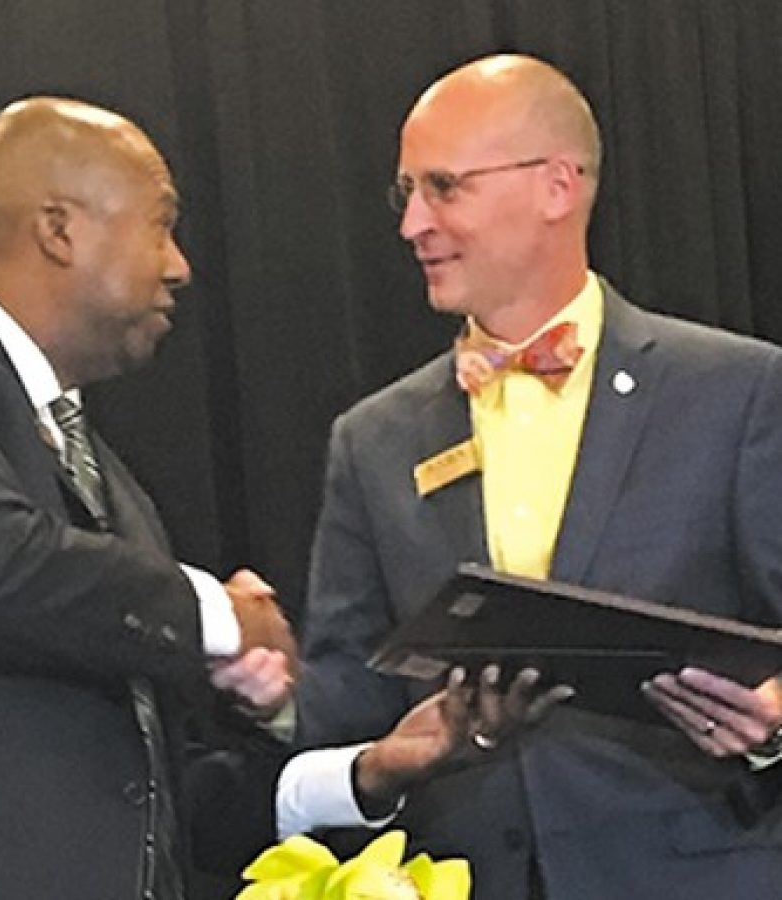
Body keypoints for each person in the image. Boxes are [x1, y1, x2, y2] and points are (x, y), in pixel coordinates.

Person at [0, 94, 567, 900]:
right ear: (59, 229)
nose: (180, 265)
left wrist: (370, 771)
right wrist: (217, 617)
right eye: (160, 224)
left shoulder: (110, 483)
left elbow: (161, 798)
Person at [289, 54, 782, 900]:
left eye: (444, 187)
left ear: (557, 186)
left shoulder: (737, 392)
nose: (413, 224)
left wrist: (773, 723)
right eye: (405, 192)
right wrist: (329, 737)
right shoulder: (371, 440)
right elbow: (342, 710)